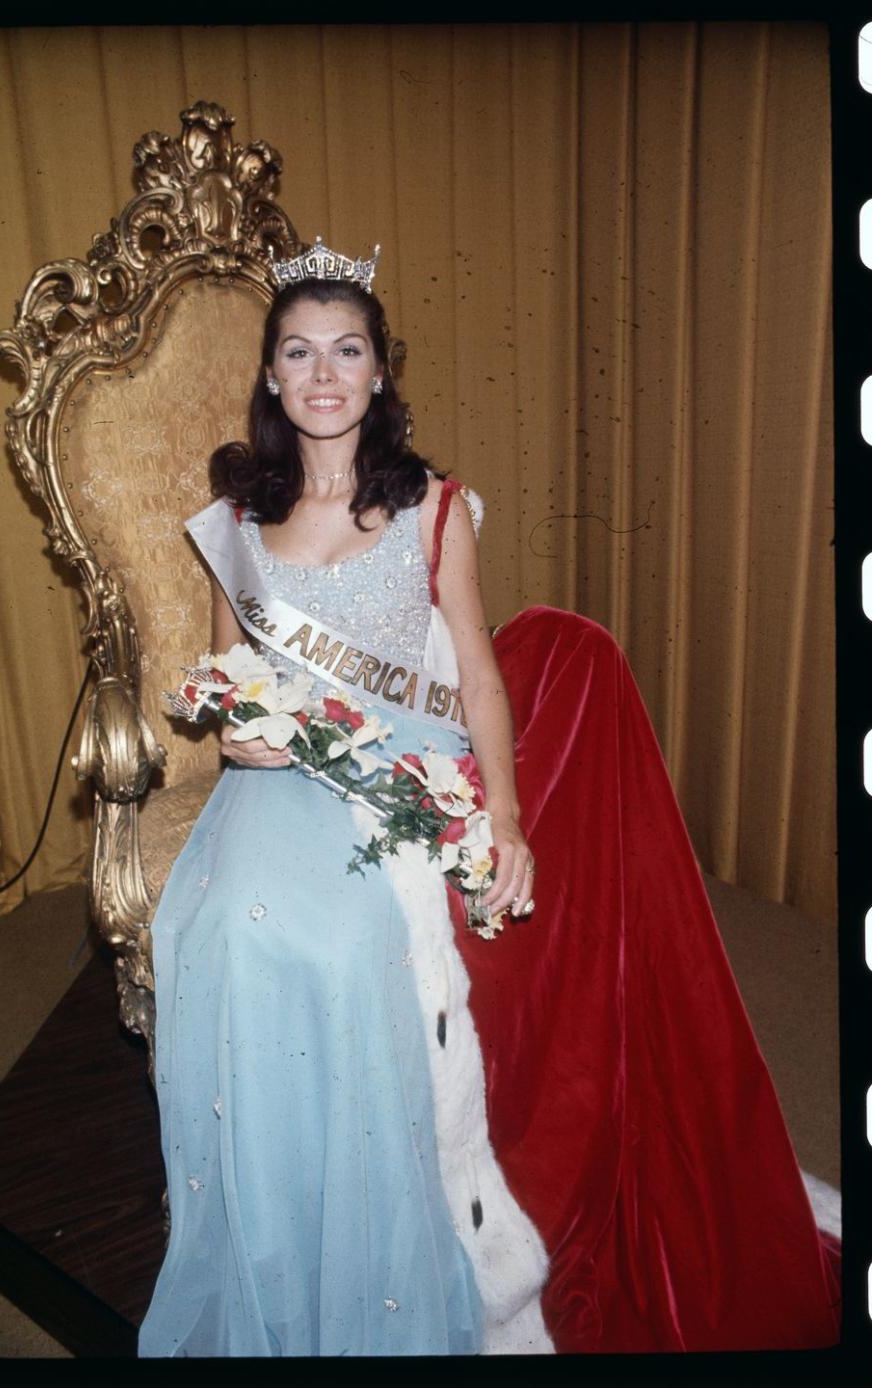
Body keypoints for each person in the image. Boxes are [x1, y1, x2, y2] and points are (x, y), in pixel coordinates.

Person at [137, 243, 840, 1357]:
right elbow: (234, 688)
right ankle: (279, 1224)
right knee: (224, 929)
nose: (325, 375)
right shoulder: (238, 517)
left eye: (348, 351)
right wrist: (246, 740)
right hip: (280, 784)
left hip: (404, 768)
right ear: (272, 377)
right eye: (300, 352)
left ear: (379, 372)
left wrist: (503, 815)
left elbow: (475, 672)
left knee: (340, 937)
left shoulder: (430, 506)